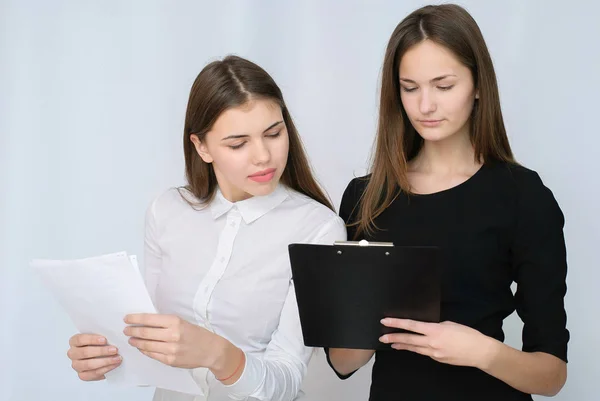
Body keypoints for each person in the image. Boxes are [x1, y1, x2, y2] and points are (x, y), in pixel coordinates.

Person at [65, 55, 346, 401]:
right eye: (238, 143)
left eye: (273, 133)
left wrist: (216, 353)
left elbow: (285, 381)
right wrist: (105, 356)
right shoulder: (167, 211)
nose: (263, 156)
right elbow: (151, 341)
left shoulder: (318, 230)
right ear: (201, 146)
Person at [326, 4, 569, 401]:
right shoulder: (364, 197)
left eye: (443, 86)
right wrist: (358, 319)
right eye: (410, 87)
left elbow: (552, 375)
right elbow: (343, 361)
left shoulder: (522, 196)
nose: (425, 106)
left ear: (477, 85)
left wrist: (481, 352)